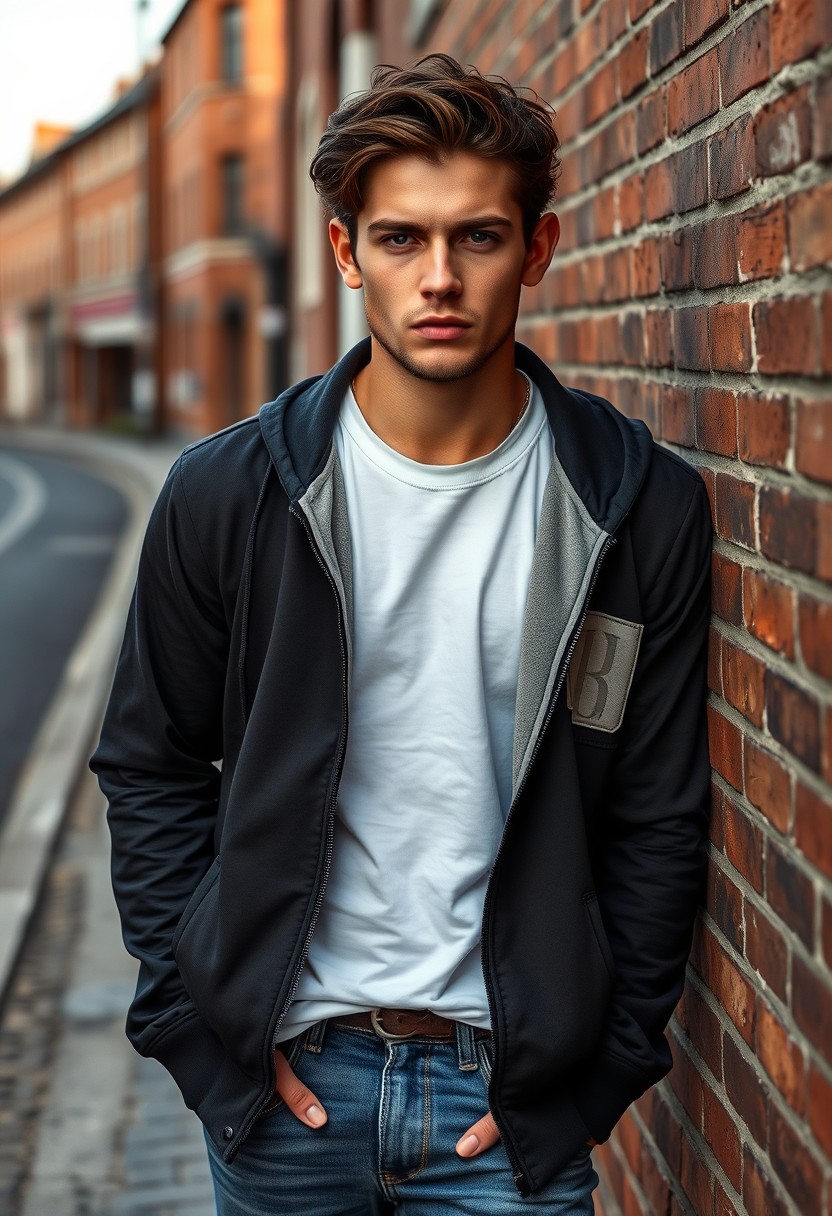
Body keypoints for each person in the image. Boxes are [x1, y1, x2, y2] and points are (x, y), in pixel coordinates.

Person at [91, 54, 712, 1215]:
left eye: (477, 237)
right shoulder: (228, 493)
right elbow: (151, 766)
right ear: (344, 253)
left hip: (507, 1118)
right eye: (398, 240)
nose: (439, 279)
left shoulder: (638, 506)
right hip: (289, 1094)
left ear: (536, 248)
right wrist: (197, 1032)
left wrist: (596, 1079)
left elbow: (658, 817)